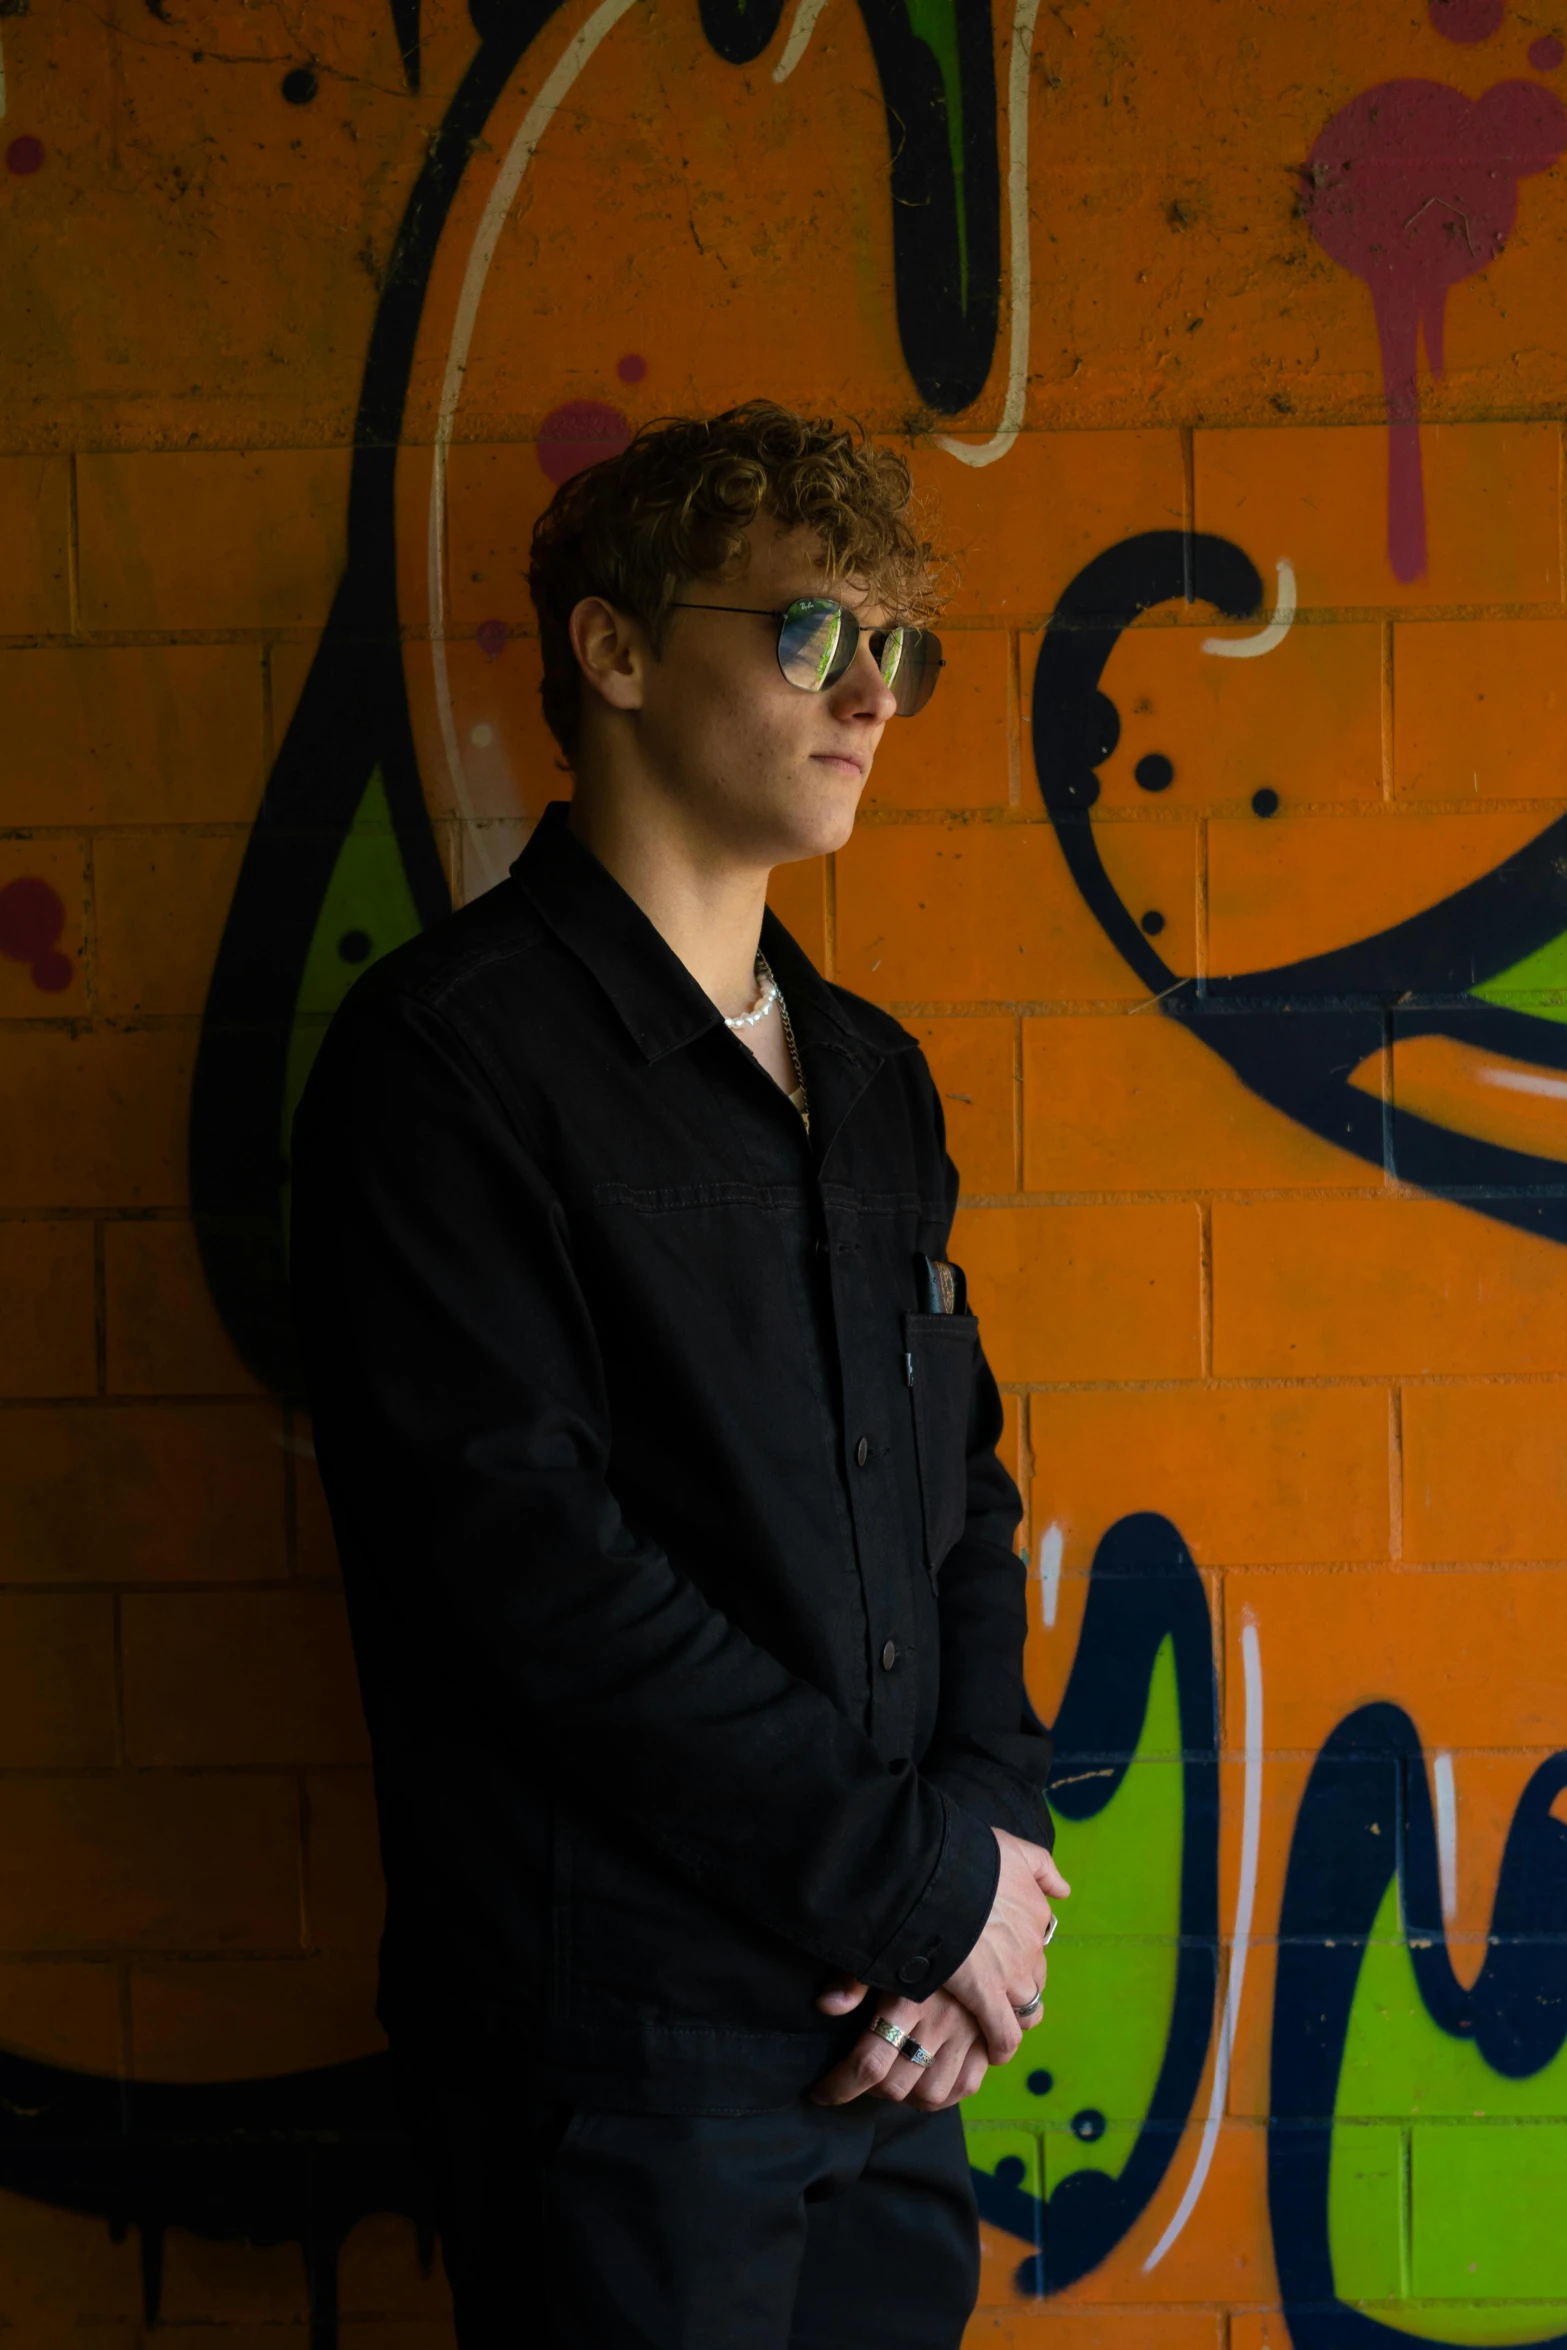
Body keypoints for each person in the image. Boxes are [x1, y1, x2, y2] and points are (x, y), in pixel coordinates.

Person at [290, 401, 1068, 2350]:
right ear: (616, 652)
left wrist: (987, 1865)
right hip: (624, 2066)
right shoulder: (450, 1064)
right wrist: (917, 1891)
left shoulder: (873, 1075)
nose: (871, 695)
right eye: (814, 632)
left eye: (900, 650)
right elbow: (529, 1575)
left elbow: (959, 1492)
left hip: (892, 2048)